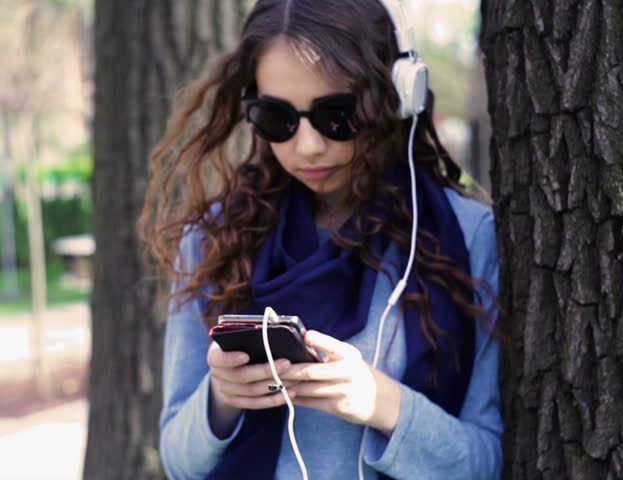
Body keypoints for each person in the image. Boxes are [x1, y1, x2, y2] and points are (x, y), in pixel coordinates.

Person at [139, 0, 503, 478]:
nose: (308, 146)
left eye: (338, 115)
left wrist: (383, 403)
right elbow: (177, 461)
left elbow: (490, 462)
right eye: (277, 118)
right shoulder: (212, 238)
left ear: (397, 96)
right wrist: (221, 400)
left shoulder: (468, 236)